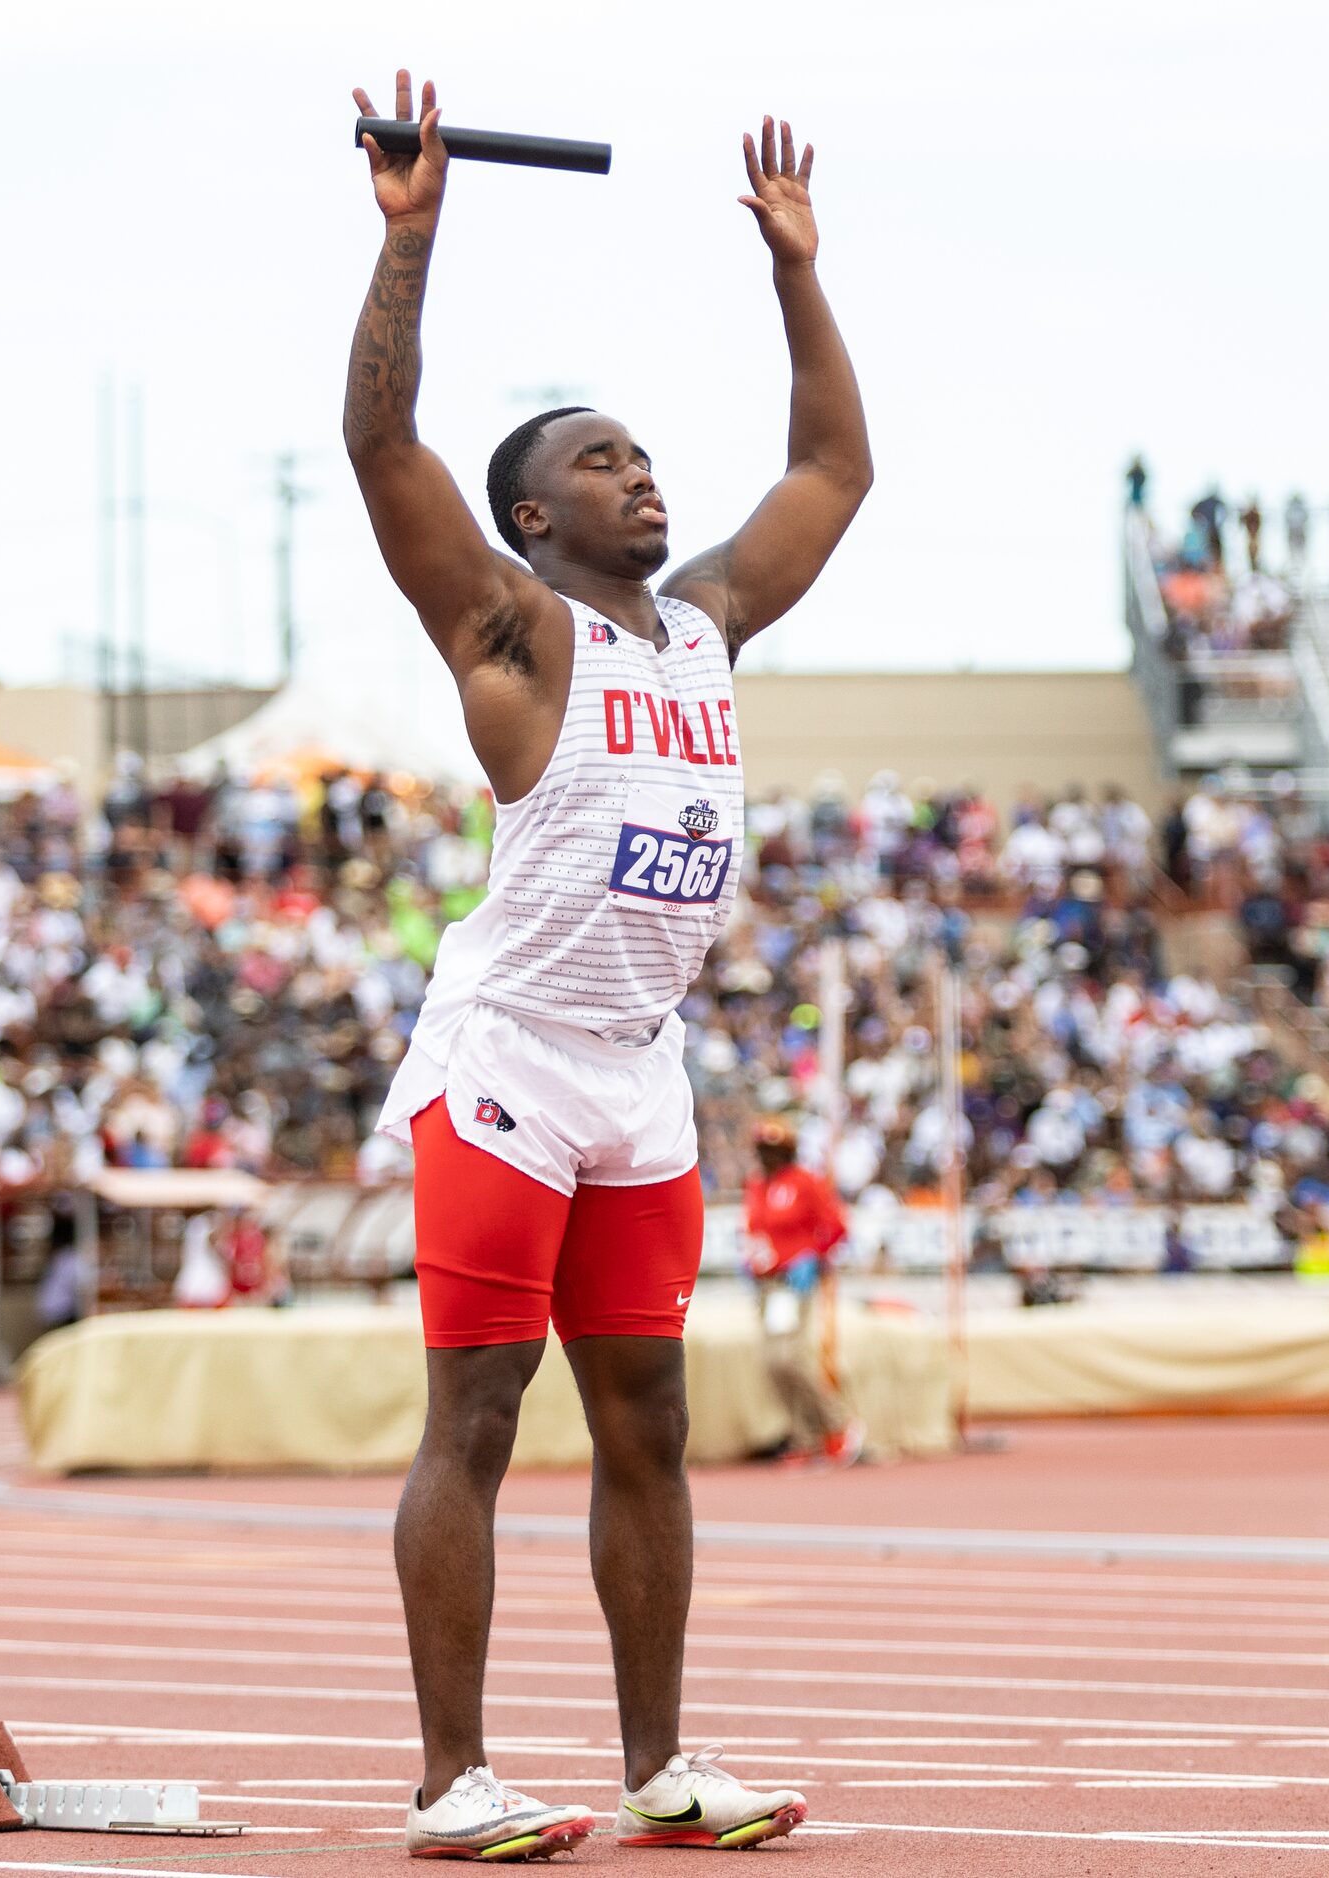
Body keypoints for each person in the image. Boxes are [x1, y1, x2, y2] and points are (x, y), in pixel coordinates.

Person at [342, 70, 867, 1859]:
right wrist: (410, 242)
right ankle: (451, 1780)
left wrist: (797, 270)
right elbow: (381, 453)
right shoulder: (513, 632)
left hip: (636, 1065)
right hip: (505, 1056)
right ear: (536, 522)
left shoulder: (707, 624)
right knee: (477, 1412)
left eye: (644, 454)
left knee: (647, 1413)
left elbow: (830, 469)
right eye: (598, 459)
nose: (640, 475)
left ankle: (659, 1764)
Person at [737, 1118, 858, 1465]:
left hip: (794, 1282)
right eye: (762, 1150)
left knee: (791, 1357)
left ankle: (837, 1424)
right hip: (768, 1285)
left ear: (787, 1152)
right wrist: (749, 1259)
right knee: (772, 1363)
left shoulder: (805, 1182)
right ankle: (804, 1434)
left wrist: (813, 1257)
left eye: (773, 1151)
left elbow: (836, 1227)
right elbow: (754, 1229)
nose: (766, 1157)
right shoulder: (756, 1185)